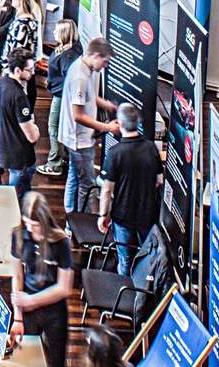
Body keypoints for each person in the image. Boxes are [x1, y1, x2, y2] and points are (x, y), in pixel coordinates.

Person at [9, 192, 76, 367]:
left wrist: (32, 300)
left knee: (56, 361)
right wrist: (18, 317)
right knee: (26, 358)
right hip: (28, 308)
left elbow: (64, 288)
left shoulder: (61, 242)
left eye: (36, 225)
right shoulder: (18, 235)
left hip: (54, 310)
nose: (31, 229)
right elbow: (17, 275)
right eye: (27, 223)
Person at [96, 103, 162, 276]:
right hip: (147, 215)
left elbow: (107, 190)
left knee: (125, 259)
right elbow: (159, 181)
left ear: (120, 123)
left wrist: (103, 215)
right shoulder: (151, 148)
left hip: (123, 216)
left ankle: (124, 288)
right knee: (146, 257)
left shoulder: (115, 153)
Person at [61, 39, 119, 213]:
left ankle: (70, 216)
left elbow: (89, 96)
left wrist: (107, 105)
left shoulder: (84, 69)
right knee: (87, 185)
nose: (105, 66)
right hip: (79, 141)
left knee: (74, 178)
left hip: (76, 139)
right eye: (105, 61)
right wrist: (107, 127)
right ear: (96, 55)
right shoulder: (80, 76)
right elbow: (78, 115)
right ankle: (81, 222)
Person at [0, 48, 40, 201]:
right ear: (17, 70)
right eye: (29, 70)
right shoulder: (19, 96)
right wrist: (35, 127)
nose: (33, 73)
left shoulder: (0, 83)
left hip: (5, 149)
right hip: (21, 157)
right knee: (18, 200)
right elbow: (32, 136)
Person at [37, 20, 80, 177]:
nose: (54, 32)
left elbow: (72, 79)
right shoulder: (64, 49)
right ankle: (64, 158)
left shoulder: (69, 56)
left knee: (53, 127)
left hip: (62, 97)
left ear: (64, 33)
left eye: (57, 30)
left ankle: (54, 164)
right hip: (59, 94)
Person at [0, 0, 43, 83]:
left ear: (21, 1)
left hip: (16, 74)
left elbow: (14, 52)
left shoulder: (21, 25)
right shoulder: (31, 21)